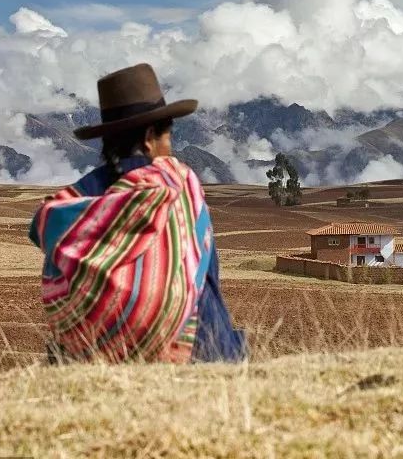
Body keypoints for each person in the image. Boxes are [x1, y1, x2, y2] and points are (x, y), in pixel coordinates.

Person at [29, 63, 244, 363]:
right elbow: (208, 281)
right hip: (202, 353)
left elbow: (40, 224)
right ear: (148, 138)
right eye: (167, 136)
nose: (170, 147)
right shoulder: (179, 186)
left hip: (91, 359)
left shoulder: (81, 198)